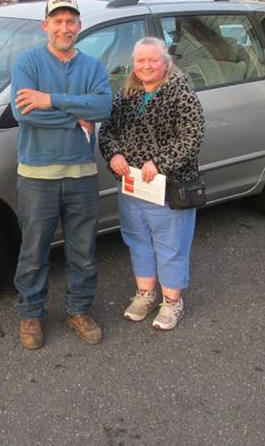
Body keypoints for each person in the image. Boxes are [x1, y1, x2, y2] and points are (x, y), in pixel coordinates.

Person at [10, 0, 112, 350]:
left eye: (71, 21)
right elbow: (25, 113)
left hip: (82, 175)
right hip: (37, 176)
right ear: (46, 26)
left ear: (79, 26)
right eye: (58, 21)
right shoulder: (29, 62)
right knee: (34, 251)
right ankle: (31, 315)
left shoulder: (93, 66)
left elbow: (103, 107)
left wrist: (51, 99)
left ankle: (79, 310)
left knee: (83, 250)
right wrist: (76, 119)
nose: (64, 28)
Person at [98, 36, 204, 331]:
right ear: (134, 63)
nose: (146, 65)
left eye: (153, 60)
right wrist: (114, 154)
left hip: (168, 187)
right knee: (138, 240)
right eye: (140, 60)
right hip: (132, 186)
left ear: (165, 62)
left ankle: (172, 302)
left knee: (171, 244)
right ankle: (145, 295)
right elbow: (107, 129)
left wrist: (159, 163)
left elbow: (192, 136)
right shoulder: (127, 93)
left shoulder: (179, 90)